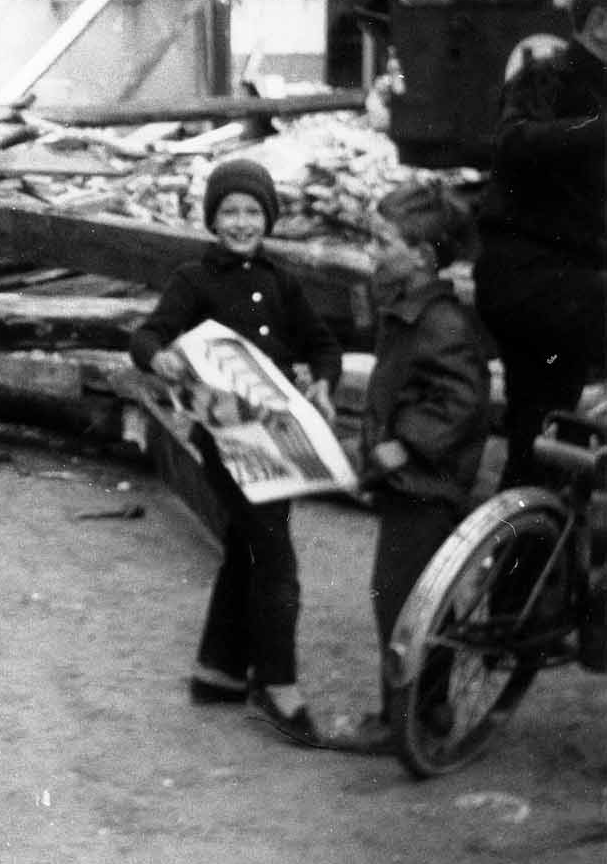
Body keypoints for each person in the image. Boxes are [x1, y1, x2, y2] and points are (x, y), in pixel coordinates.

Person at [130, 158, 343, 746]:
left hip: (274, 441)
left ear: (268, 219)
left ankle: (218, 672)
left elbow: (322, 344)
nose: (242, 223)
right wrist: (160, 358)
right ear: (212, 218)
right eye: (230, 212)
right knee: (276, 559)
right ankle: (278, 687)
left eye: (252, 212)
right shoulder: (194, 279)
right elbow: (146, 335)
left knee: (248, 548)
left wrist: (324, 378)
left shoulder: (281, 281)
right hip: (224, 442)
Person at [335, 183, 491, 754]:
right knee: (408, 600)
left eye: (385, 243)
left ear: (423, 255)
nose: (375, 253)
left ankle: (402, 722)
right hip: (406, 483)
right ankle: (430, 713)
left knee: (405, 604)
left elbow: (462, 400)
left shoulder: (442, 322)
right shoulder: (406, 308)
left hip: (427, 485)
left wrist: (406, 444)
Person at [474, 0, 607, 489]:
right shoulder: (546, 76)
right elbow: (513, 143)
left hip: (570, 283)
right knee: (545, 424)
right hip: (533, 280)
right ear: (600, 22)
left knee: (542, 436)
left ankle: (534, 558)